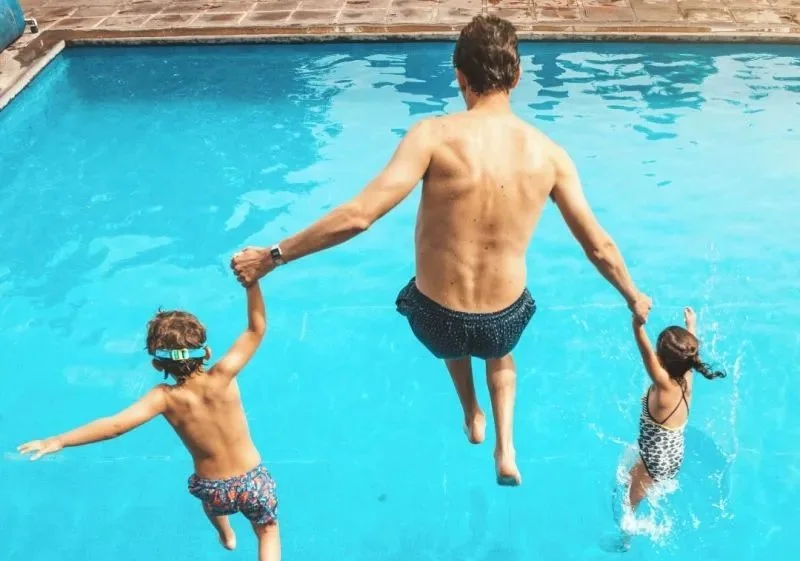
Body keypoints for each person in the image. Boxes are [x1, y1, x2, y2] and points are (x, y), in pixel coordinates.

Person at [230, 15, 651, 486]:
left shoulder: (432, 136)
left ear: (459, 76)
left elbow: (359, 216)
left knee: (451, 333)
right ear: (517, 77)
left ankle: (471, 413)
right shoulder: (550, 156)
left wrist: (272, 256)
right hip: (503, 321)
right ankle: (506, 447)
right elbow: (598, 246)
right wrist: (633, 296)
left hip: (435, 319)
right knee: (499, 354)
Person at [18, 283, 297, 561]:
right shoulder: (224, 374)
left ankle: (225, 534)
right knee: (267, 529)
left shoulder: (163, 398)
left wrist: (59, 440)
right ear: (207, 352)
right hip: (251, 480)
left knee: (211, 503)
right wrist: (252, 283)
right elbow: (256, 329)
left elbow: (114, 426)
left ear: (156, 365)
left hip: (213, 487)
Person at [628, 306, 726, 510]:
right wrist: (691, 326)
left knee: (629, 503)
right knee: (633, 478)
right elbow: (689, 353)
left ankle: (627, 530)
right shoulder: (687, 376)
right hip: (674, 454)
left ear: (659, 359)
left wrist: (637, 324)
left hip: (655, 460)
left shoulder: (664, 386)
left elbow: (646, 354)